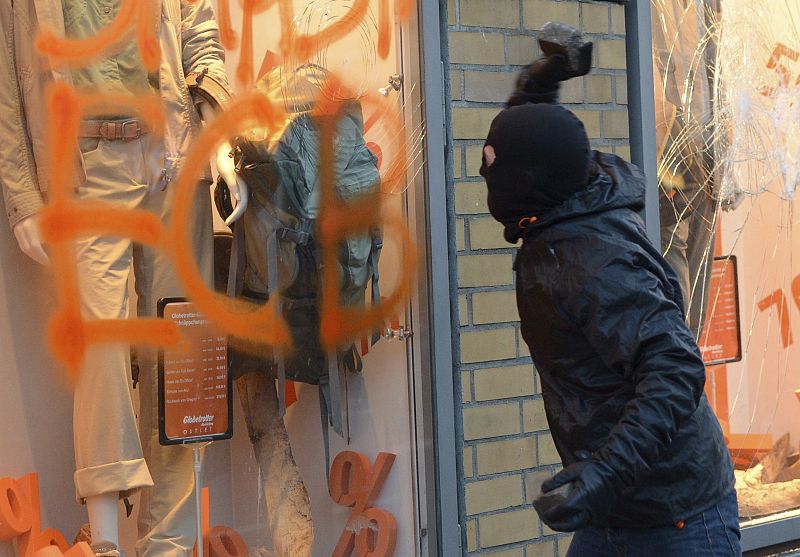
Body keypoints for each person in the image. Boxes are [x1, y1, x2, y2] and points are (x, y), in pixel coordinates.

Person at [479, 49, 740, 556]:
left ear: (525, 182)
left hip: (675, 519)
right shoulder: (571, 196)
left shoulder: (596, 263)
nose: (485, 174)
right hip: (617, 508)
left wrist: (603, 475)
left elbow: (676, 367)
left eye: (492, 166)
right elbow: (539, 146)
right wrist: (541, 82)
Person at [0, 2, 232, 556]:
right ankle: (106, 545)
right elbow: (9, 80)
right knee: (100, 351)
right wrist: (23, 196)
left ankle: (171, 545)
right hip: (83, 164)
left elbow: (201, 37)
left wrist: (220, 139)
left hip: (173, 159)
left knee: (180, 356)